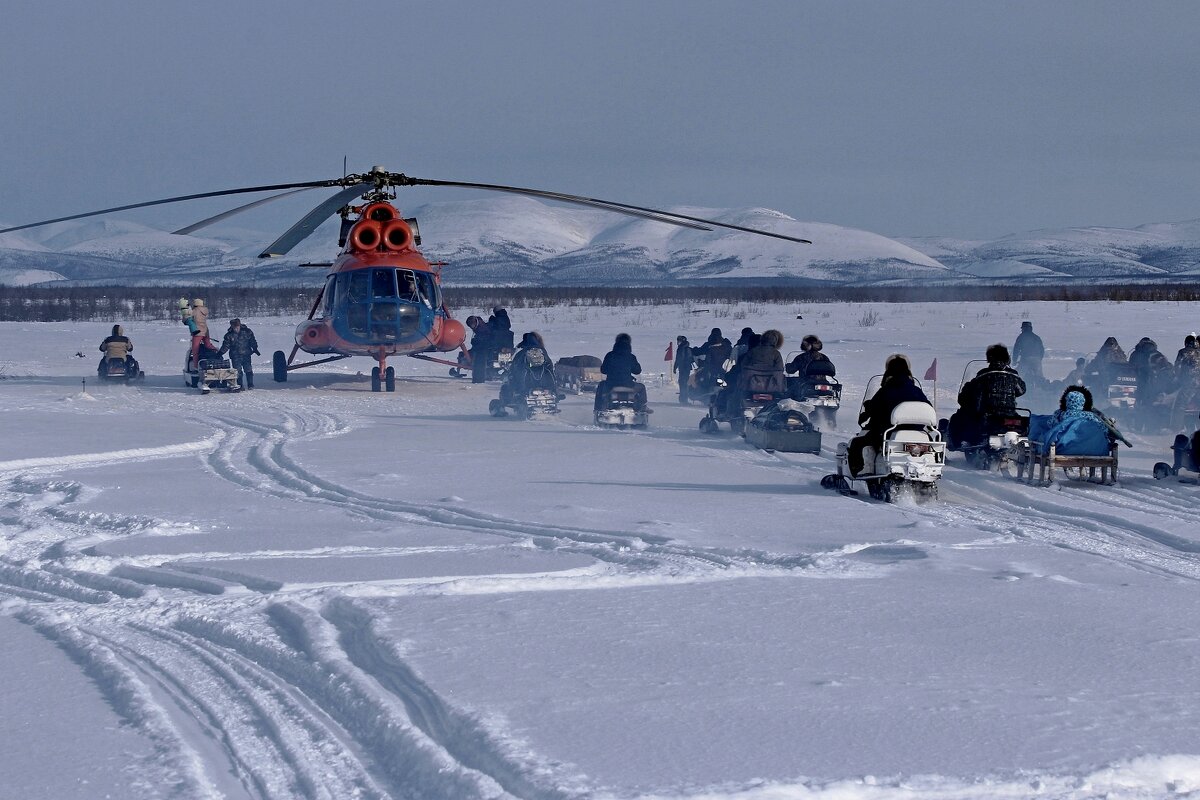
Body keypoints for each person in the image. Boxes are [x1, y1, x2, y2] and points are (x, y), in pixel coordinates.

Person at [847, 354, 930, 476]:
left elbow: (874, 408)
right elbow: (928, 408)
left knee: (857, 443)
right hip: (918, 434)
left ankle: (859, 472)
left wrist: (866, 413)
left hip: (889, 432)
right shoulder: (917, 391)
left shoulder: (886, 390)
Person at [946, 344, 1026, 450]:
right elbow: (1021, 390)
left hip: (988, 414)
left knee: (959, 418)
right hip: (1009, 413)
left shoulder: (984, 375)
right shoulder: (1013, 375)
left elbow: (972, 392)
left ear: (990, 358)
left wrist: (967, 396)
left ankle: (963, 442)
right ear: (1007, 358)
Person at [596, 333, 649, 412]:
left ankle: (598, 409)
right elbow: (637, 371)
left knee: (601, 385)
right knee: (641, 387)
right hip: (628, 384)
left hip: (610, 384)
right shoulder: (631, 357)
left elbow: (603, 370)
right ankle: (642, 407)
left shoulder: (610, 355)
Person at [501, 331, 558, 405]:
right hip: (544, 383)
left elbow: (514, 368)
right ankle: (553, 393)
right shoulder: (542, 351)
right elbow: (549, 365)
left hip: (524, 387)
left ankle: (511, 400)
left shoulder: (522, 352)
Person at [217, 318, 261, 390]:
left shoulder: (247, 332)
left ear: (239, 325)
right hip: (235, 356)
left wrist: (255, 348)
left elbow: (252, 341)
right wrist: (220, 353)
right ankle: (240, 385)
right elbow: (226, 346)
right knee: (237, 371)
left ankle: (250, 384)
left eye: (237, 327)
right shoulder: (229, 335)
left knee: (248, 369)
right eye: (234, 327)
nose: (236, 329)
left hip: (246, 354)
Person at [693, 327, 732, 392]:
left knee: (706, 379)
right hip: (724, 369)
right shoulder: (726, 345)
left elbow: (700, 351)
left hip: (712, 369)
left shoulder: (709, 344)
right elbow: (731, 354)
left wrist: (694, 350)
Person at [464, 315, 493, 383]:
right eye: (470, 326)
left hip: (483, 348)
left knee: (479, 364)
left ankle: (479, 379)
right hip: (481, 348)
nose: (472, 327)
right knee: (478, 363)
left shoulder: (482, 327)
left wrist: (476, 341)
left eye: (472, 325)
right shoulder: (479, 326)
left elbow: (485, 338)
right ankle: (477, 379)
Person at [188, 298, 212, 370]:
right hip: (205, 331)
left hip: (197, 332)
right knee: (208, 345)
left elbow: (187, 318)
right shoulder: (205, 310)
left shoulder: (194, 311)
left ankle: (196, 366)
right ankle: (216, 355)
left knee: (195, 349)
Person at [673, 335, 695, 405]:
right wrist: (675, 367)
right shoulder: (680, 348)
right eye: (677, 341)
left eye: (679, 341)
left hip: (685, 368)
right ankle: (682, 398)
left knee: (684, 383)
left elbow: (689, 359)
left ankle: (684, 398)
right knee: (681, 382)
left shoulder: (686, 349)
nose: (678, 342)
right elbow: (678, 359)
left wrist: (684, 366)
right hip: (682, 368)